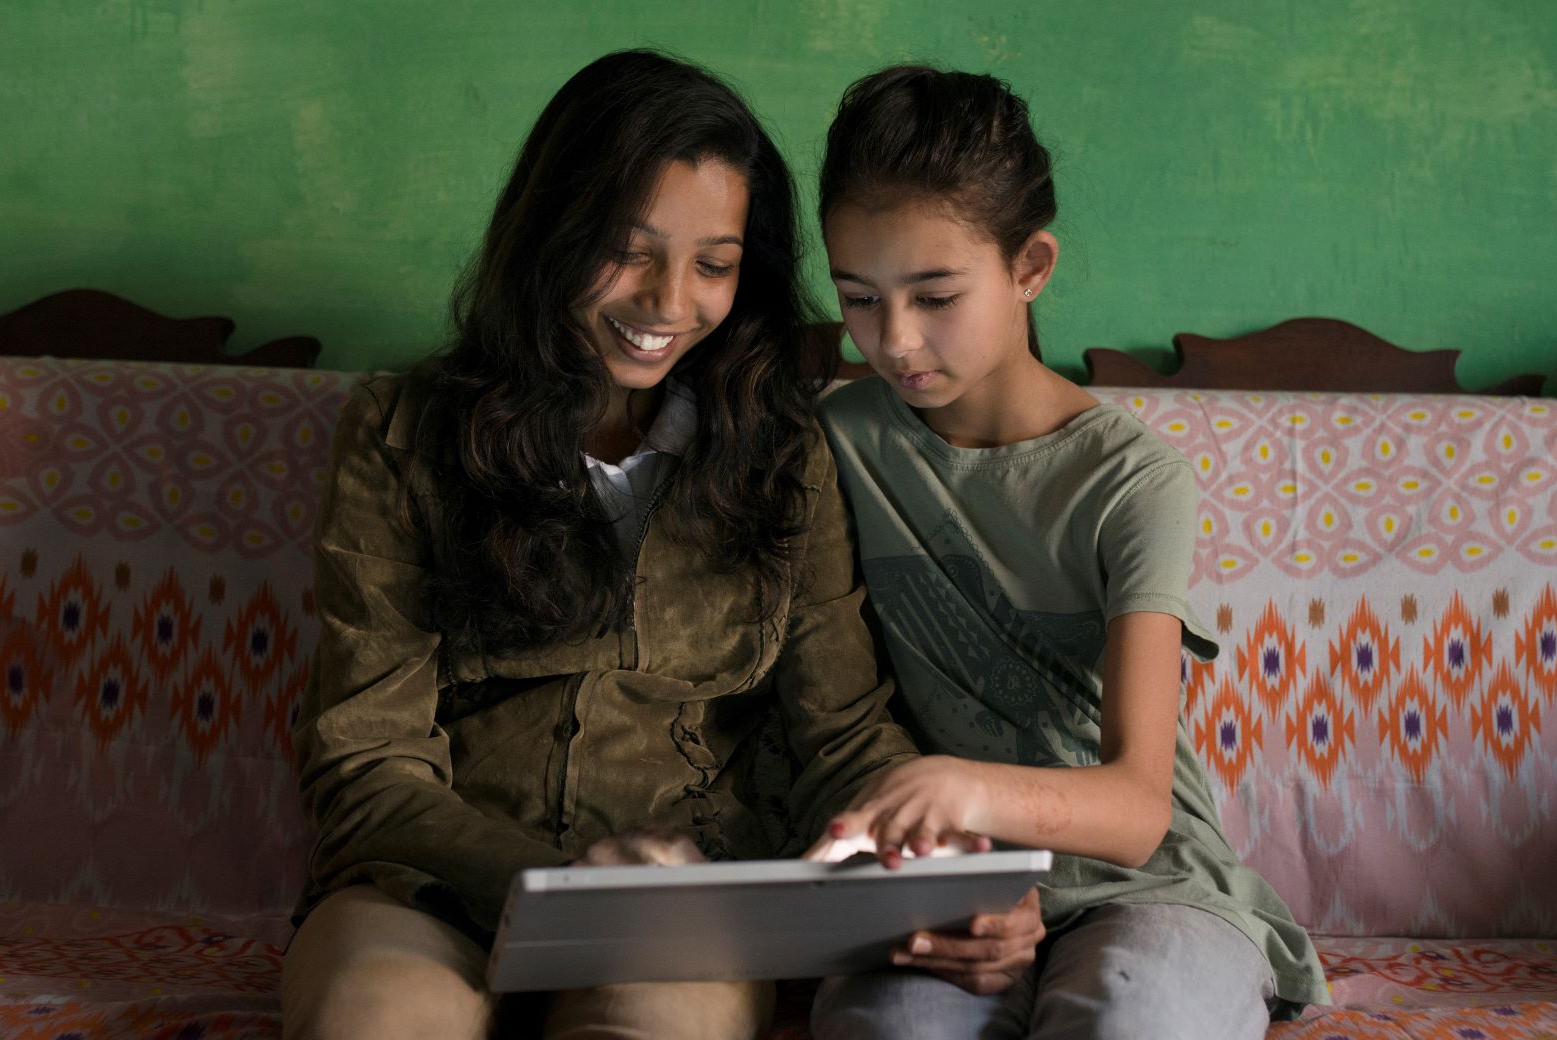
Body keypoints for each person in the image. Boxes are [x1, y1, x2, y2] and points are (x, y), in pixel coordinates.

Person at [281, 50, 1040, 1040]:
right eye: (624, 248)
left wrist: (945, 872)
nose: (666, 300)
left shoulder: (784, 450)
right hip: (425, 892)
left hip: (684, 900)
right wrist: (541, 876)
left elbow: (839, 732)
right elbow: (362, 758)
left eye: (713, 264)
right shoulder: (400, 433)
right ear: (550, 233)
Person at [805, 66, 1329, 1039]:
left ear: (1029, 266)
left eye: (934, 293)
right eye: (858, 297)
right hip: (944, 892)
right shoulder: (839, 441)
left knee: (1134, 1017)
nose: (895, 339)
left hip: (1146, 884)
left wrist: (962, 781)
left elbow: (1135, 805)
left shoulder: (1130, 480)